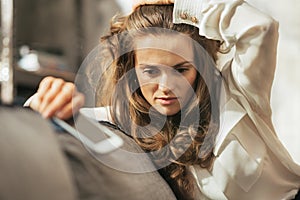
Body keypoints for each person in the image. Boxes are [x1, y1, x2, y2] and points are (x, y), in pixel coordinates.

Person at [25, 0, 300, 199]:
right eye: (151, 71)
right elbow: (74, 124)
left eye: (181, 70)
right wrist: (43, 104)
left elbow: (260, 28)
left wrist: (186, 6)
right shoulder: (126, 123)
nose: (166, 87)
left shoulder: (237, 94)